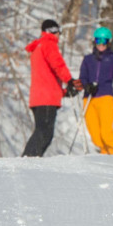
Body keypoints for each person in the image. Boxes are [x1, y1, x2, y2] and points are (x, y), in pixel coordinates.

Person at [22, 19, 81, 157]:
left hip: (38, 98)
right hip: (46, 99)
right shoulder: (49, 44)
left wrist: (65, 92)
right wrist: (70, 80)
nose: (59, 36)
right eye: (59, 32)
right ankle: (27, 161)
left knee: (42, 131)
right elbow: (57, 64)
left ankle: (29, 160)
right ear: (53, 31)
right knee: (44, 133)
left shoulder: (39, 46)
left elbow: (47, 78)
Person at [78, 27, 113, 155]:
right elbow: (82, 78)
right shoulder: (87, 60)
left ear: (109, 42)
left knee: (106, 133)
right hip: (89, 99)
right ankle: (107, 159)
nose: (101, 44)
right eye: (98, 40)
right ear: (94, 41)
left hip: (105, 98)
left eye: (104, 41)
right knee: (96, 137)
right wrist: (87, 86)